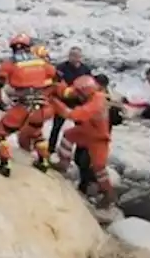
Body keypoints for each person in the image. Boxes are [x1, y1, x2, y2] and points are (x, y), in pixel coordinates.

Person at [0, 33, 58, 177]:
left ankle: (5, 165)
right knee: (37, 133)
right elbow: (57, 78)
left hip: (23, 106)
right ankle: (43, 162)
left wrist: (0, 102)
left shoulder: (9, 64)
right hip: (42, 106)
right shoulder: (41, 62)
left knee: (0, 134)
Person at [48, 74, 117, 208]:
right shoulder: (88, 92)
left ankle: (109, 194)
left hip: (99, 136)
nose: (77, 96)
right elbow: (68, 92)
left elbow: (73, 114)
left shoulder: (97, 101)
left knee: (99, 167)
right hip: (86, 130)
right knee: (68, 135)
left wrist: (55, 103)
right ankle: (63, 163)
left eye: (79, 93)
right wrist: (57, 84)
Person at [49, 46, 93, 153]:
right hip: (63, 102)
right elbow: (55, 82)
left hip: (78, 103)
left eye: (76, 56)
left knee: (80, 128)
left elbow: (90, 85)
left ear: (80, 57)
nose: (73, 58)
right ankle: (50, 149)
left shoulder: (85, 69)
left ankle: (79, 152)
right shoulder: (61, 67)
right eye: (71, 55)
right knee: (56, 127)